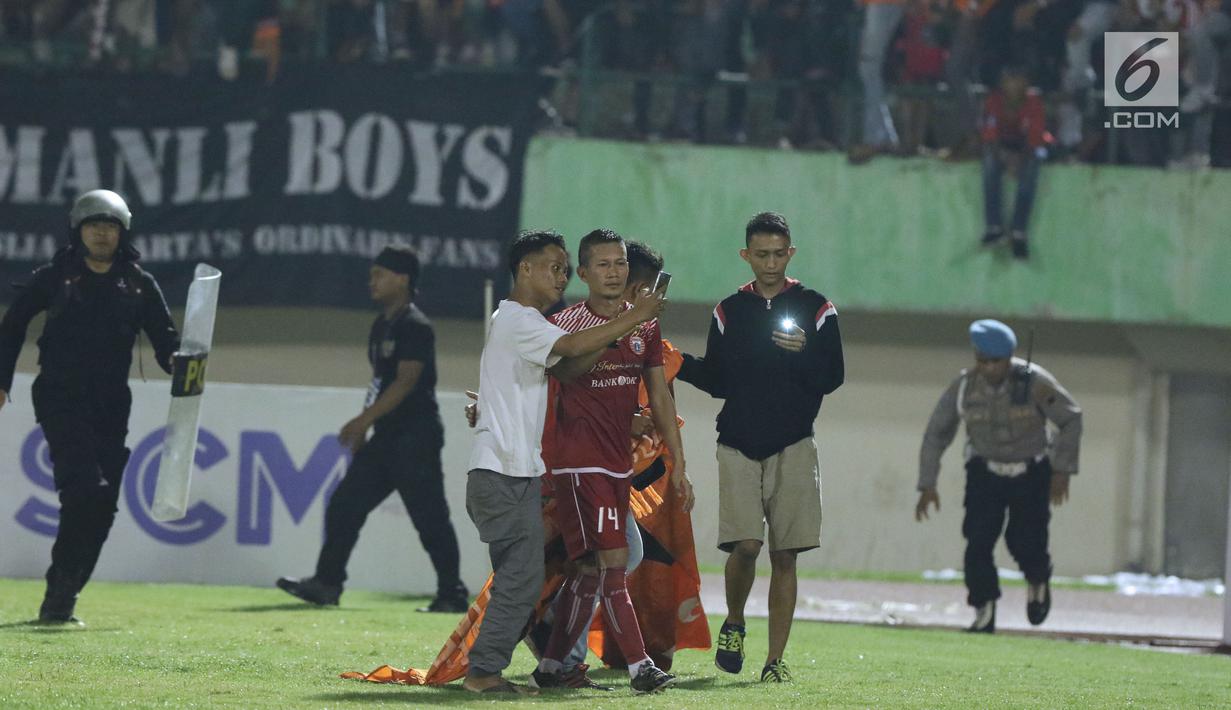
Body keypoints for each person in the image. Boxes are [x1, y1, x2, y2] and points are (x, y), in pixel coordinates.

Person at [462, 230, 663, 694]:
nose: (561, 278)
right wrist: (636, 317)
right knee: (530, 576)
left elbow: (568, 369)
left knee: (540, 574)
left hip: (516, 471)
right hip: (508, 471)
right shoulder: (522, 321)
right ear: (524, 269)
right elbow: (571, 350)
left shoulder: (514, 320)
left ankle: (543, 662)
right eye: (554, 268)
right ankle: (488, 672)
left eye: (564, 270)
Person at [676, 211, 844, 683]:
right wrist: (678, 363)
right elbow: (719, 380)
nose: (770, 263)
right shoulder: (729, 310)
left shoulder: (817, 308)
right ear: (745, 255)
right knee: (746, 545)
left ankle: (774, 661)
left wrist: (804, 350)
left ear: (791, 253)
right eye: (761, 254)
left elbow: (833, 376)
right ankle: (734, 622)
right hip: (738, 441)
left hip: (794, 442)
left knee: (785, 554)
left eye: (778, 254)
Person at [0, 189, 180, 625]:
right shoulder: (55, 276)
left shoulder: (139, 283)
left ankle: (63, 597)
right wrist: (1, 381)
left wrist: (180, 363)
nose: (102, 233)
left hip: (112, 404)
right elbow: (12, 326)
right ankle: (58, 595)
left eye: (111, 226)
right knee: (84, 489)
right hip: (60, 397)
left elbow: (166, 340)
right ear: (78, 231)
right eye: (94, 225)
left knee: (103, 506)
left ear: (123, 232)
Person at [530, 229, 692, 694]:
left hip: (616, 463)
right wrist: (625, 323)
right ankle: (642, 669)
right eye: (603, 264)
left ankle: (552, 665)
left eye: (620, 263)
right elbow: (566, 371)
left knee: (587, 569)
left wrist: (679, 464)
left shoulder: (645, 326)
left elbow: (659, 396)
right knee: (614, 562)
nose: (614, 272)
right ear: (583, 273)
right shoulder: (565, 322)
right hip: (579, 464)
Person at [276, 246, 469, 612]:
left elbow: (405, 381)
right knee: (345, 504)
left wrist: (363, 420)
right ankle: (327, 583)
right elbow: (380, 381)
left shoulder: (416, 326)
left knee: (429, 518)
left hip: (416, 437)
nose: (372, 282)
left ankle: (452, 594)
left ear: (403, 279)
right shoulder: (382, 326)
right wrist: (368, 423)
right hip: (386, 437)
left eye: (379, 275)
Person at [915, 319, 1082, 633]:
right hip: (985, 472)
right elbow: (936, 433)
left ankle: (1038, 580)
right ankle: (984, 608)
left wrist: (1062, 469)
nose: (988, 368)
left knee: (1024, 540)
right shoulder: (964, 387)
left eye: (995, 361)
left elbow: (1070, 418)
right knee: (978, 542)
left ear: (1008, 359)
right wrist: (927, 484)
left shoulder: (1034, 382)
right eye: (982, 361)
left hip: (1030, 472)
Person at [980, 64, 1049, 260]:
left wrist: (1019, 160)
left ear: (1025, 83)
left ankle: (1019, 231)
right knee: (989, 162)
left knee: (1033, 165)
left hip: (1026, 148)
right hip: (1002, 147)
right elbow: (990, 136)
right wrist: (1005, 158)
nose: (1013, 86)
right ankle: (994, 227)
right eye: (1008, 81)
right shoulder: (994, 101)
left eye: (1017, 81)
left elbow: (1035, 138)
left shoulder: (1034, 102)